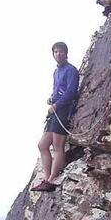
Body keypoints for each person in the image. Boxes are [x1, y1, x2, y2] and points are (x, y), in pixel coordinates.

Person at [31, 42, 79, 192]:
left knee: (58, 146)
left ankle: (52, 179)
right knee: (42, 145)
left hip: (64, 110)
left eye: (61, 52)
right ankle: (47, 178)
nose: (58, 54)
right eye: (56, 52)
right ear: (53, 54)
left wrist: (57, 106)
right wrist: (51, 99)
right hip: (56, 110)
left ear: (66, 53)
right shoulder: (56, 71)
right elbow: (57, 90)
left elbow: (71, 92)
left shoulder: (71, 70)